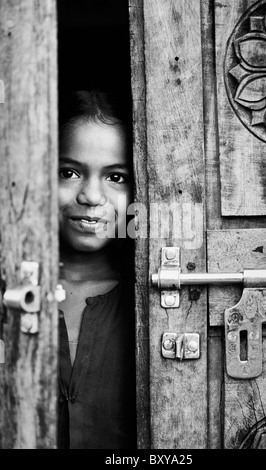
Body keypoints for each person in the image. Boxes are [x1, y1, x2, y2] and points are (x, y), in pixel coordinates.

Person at [57, 89, 136, 449]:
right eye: (68, 171)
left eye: (115, 177)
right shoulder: (9, 293)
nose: (91, 196)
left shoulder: (153, 303)